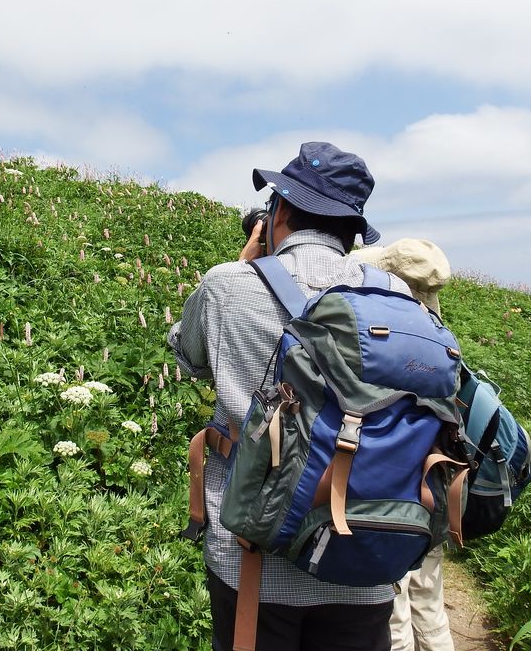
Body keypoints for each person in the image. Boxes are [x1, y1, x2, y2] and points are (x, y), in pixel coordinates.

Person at [169, 141, 415, 651]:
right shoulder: (395, 293)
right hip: (366, 554)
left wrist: (243, 265)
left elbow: (187, 357)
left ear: (278, 211)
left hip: (253, 560)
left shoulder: (227, 285)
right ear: (351, 231)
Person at [350, 239, 456, 651]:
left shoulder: (382, 342)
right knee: (430, 603)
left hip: (388, 495)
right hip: (435, 492)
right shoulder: (441, 343)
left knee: (390, 610)